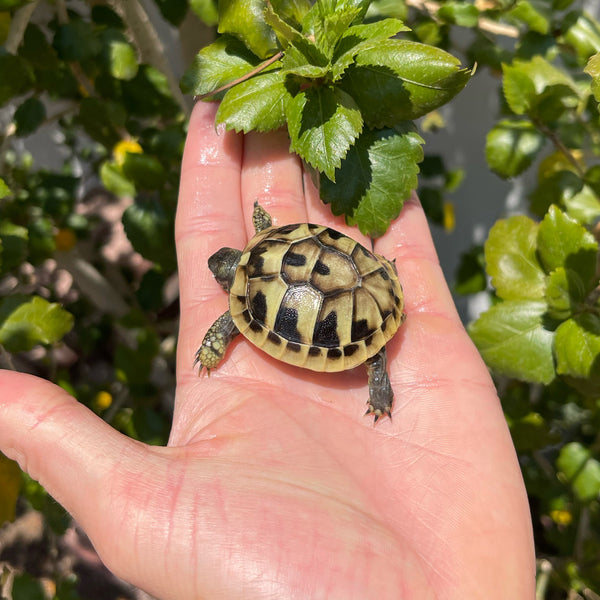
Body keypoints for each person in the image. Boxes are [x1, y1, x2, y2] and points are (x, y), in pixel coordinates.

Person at [0, 102, 535, 599]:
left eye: (222, 270)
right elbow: (285, 243)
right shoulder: (266, 245)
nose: (219, 275)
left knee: (367, 352)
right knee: (343, 319)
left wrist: (212, 348)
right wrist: (263, 227)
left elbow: (231, 324)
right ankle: (375, 371)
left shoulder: (241, 307)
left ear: (233, 269)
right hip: (352, 272)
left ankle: (378, 378)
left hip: (344, 300)